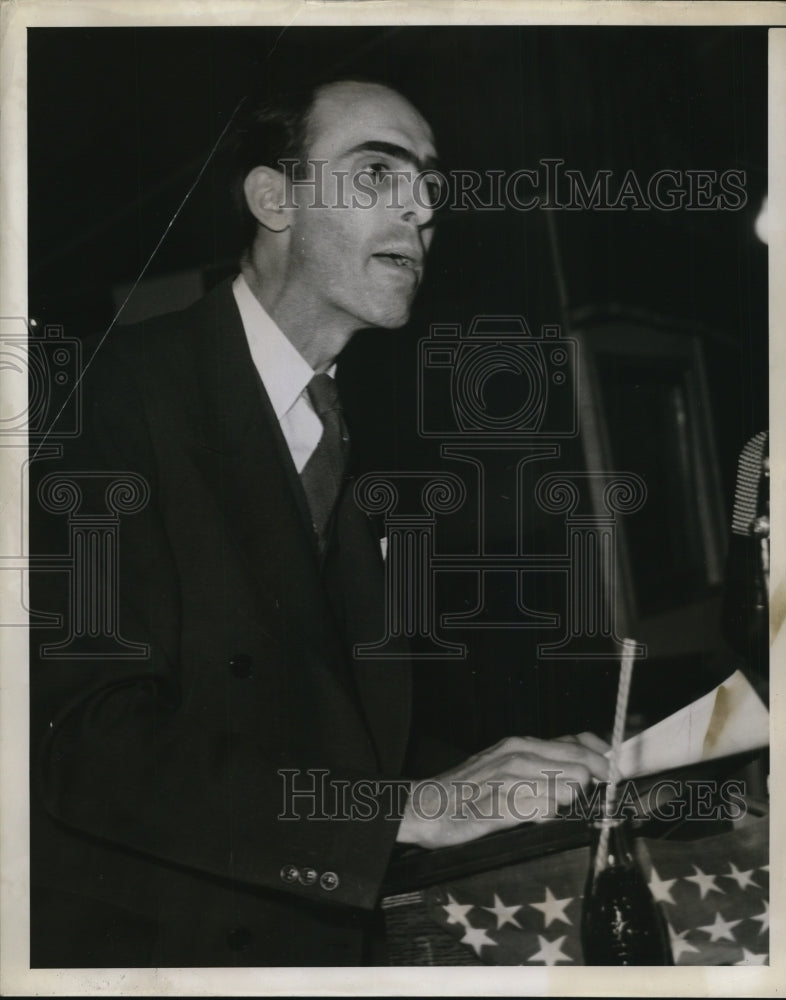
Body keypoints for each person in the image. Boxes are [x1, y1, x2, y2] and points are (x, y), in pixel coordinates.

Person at [29, 78, 610, 968]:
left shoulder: (358, 435)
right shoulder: (114, 398)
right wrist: (412, 810)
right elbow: (91, 746)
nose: (420, 207)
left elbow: (325, 723)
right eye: (377, 172)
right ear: (274, 200)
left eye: (429, 184)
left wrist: (511, 771)